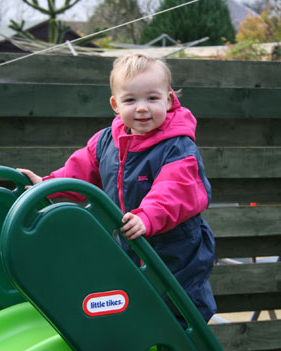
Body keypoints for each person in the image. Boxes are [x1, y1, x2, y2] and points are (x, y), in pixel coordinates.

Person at [18, 53, 217, 324]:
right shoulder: (106, 142)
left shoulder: (178, 147)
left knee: (178, 305)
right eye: (131, 100)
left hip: (177, 250)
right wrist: (46, 185)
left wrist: (147, 216)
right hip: (129, 243)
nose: (142, 108)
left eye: (152, 98)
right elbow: (79, 174)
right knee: (133, 303)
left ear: (169, 100)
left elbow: (176, 189)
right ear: (115, 104)